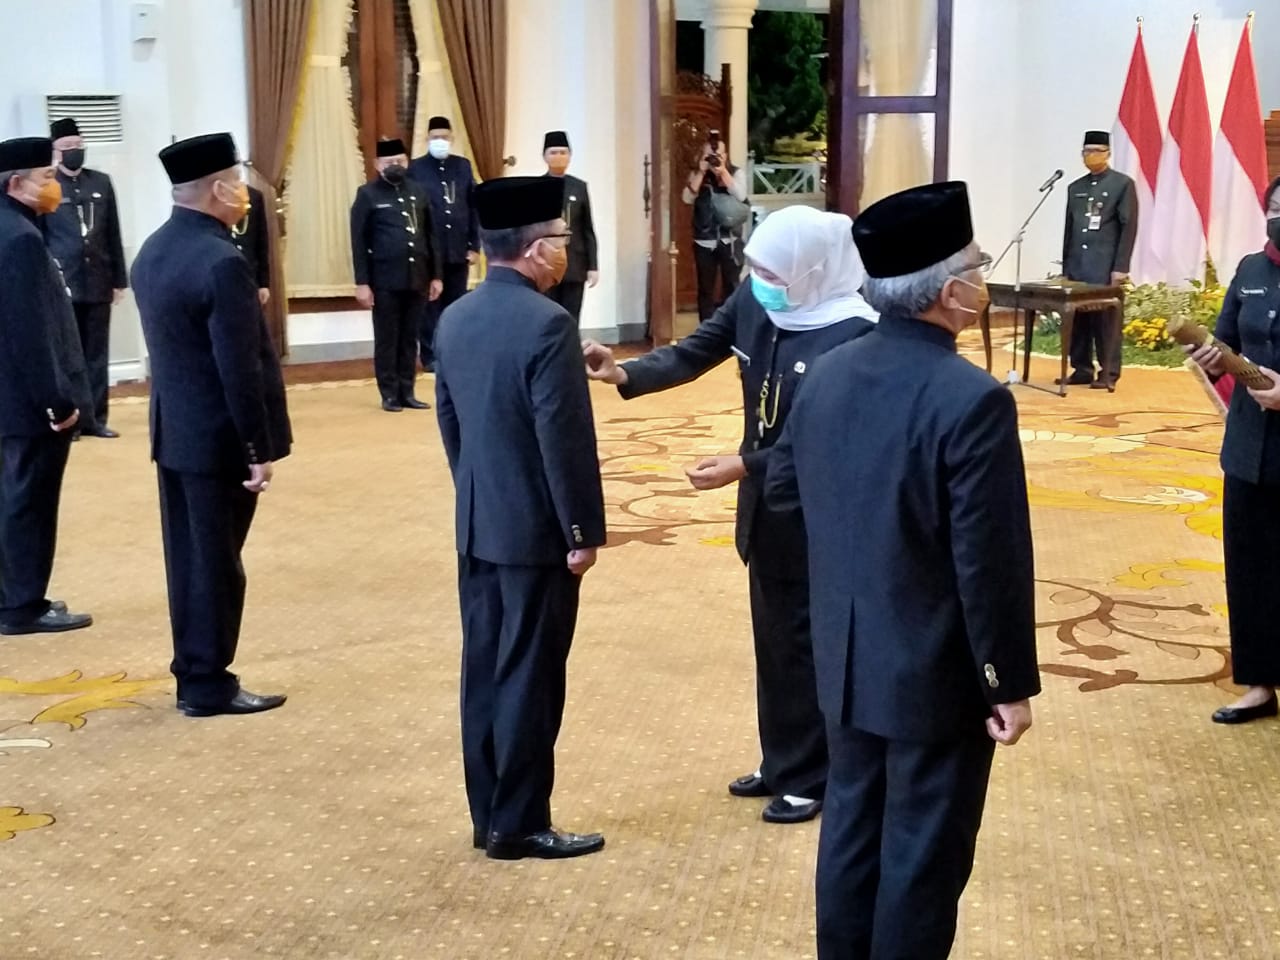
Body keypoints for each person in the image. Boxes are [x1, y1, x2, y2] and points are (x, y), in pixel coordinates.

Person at [764, 181, 1040, 959]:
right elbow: (989, 562)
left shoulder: (830, 373)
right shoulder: (973, 399)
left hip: (843, 659)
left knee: (851, 832)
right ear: (952, 293)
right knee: (922, 856)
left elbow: (784, 493)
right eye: (978, 267)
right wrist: (1005, 682)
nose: (983, 279)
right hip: (933, 670)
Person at [583, 205, 877, 824]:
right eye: (755, 268)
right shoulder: (758, 297)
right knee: (774, 642)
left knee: (810, 646)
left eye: (773, 272)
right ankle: (782, 760)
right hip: (765, 513)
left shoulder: (854, 333)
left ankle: (814, 776)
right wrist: (625, 372)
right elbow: (699, 348)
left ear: (814, 271)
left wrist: (747, 464)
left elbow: (822, 442)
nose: (759, 280)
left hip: (821, 515)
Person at [435, 175, 606, 860]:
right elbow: (561, 440)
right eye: (562, 240)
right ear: (536, 250)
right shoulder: (548, 323)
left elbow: (451, 425)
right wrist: (581, 532)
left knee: (485, 671)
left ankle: (489, 814)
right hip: (536, 533)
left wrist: (477, 490)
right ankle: (521, 822)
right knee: (532, 678)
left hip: (479, 520)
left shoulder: (455, 316)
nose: (566, 250)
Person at [130, 132, 292, 717]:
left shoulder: (154, 249)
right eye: (238, 180)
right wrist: (257, 445)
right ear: (219, 188)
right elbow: (238, 366)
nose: (246, 192)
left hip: (174, 433)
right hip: (219, 440)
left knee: (191, 560)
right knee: (218, 566)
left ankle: (194, 673)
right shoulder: (221, 260)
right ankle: (207, 682)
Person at [1183, 175, 1280, 725]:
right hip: (1248, 450)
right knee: (1250, 570)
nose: (1279, 215)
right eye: (1274, 207)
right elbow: (1225, 341)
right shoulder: (1249, 270)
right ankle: (1259, 684)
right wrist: (1212, 357)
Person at [0, 136, 93, 636]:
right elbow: (30, 333)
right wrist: (56, 403)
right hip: (25, 400)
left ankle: (11, 594)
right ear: (16, 183)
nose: (55, 185)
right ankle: (22, 605)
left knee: (11, 498)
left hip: (8, 396)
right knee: (28, 502)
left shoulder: (13, 228)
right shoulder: (19, 239)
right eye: (47, 177)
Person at [44, 117, 128, 438]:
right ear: (55, 152)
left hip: (98, 281)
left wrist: (119, 279)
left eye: (78, 147)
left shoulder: (101, 183)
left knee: (97, 354)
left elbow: (112, 234)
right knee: (68, 357)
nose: (74, 152)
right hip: (64, 283)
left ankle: (96, 419)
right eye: (67, 148)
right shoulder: (50, 188)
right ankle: (72, 420)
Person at [351, 137, 442, 411]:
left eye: (400, 161)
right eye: (389, 162)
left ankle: (408, 391)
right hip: (384, 280)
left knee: (410, 337)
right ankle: (389, 393)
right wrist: (362, 283)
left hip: (417, 277)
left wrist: (436, 276)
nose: (395, 165)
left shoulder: (419, 192)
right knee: (388, 338)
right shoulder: (367, 195)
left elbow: (431, 236)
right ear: (377, 164)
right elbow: (358, 241)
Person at [1059, 130, 1137, 392]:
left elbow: (1128, 227)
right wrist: (1066, 266)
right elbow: (1069, 230)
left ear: (1108, 153)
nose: (1090, 156)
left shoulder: (1121, 184)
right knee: (1078, 320)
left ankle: (1108, 372)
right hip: (1078, 265)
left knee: (1106, 321)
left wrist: (1121, 266)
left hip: (1105, 266)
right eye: (1086, 152)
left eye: (1096, 151)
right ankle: (1081, 368)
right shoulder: (1076, 188)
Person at [408, 116, 479, 372]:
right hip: (428, 251)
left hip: (458, 249)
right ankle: (430, 356)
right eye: (435, 137)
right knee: (430, 307)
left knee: (455, 305)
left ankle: (455, 353)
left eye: (445, 137)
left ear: (452, 139)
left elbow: (473, 206)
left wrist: (474, 245)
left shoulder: (462, 166)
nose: (440, 141)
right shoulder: (416, 168)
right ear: (427, 139)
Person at [683, 130, 748, 322]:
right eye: (710, 156)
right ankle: (706, 330)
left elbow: (741, 196)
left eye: (718, 155)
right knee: (705, 289)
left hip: (730, 240)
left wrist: (724, 173)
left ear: (725, 156)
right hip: (704, 240)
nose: (714, 159)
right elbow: (687, 198)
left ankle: (732, 328)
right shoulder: (698, 173)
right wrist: (701, 171)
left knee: (732, 286)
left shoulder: (735, 172)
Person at [541, 131, 598, 325]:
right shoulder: (536, 187)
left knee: (572, 316)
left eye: (563, 152)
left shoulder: (579, 187)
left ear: (570, 156)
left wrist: (593, 266)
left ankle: (571, 353)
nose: (559, 157)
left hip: (575, 263)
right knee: (549, 315)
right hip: (547, 263)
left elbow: (588, 228)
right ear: (545, 156)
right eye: (554, 152)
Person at [229, 183, 271, 306]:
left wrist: (264, 283)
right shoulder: (213, 196)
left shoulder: (254, 196)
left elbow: (262, 241)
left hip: (249, 274)